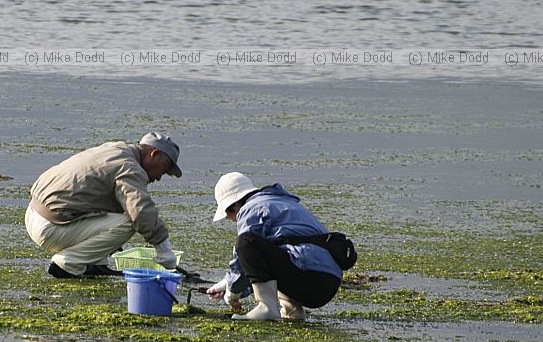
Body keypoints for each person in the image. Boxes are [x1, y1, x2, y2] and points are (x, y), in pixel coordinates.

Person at [25, 132, 181, 278]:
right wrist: (163, 249)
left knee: (122, 213)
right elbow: (141, 212)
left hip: (33, 214)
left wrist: (110, 240)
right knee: (129, 222)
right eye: (165, 169)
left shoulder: (115, 149)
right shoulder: (129, 168)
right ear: (154, 154)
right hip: (50, 226)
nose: (160, 177)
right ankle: (68, 263)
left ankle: (94, 263)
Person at [206, 172, 342, 320]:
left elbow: (243, 255)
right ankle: (292, 310)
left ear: (235, 205)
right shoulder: (280, 202)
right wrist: (228, 283)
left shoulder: (250, 209)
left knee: (245, 243)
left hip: (310, 276)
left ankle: (267, 307)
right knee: (281, 248)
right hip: (329, 282)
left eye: (228, 215)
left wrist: (232, 292)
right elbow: (266, 263)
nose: (232, 220)